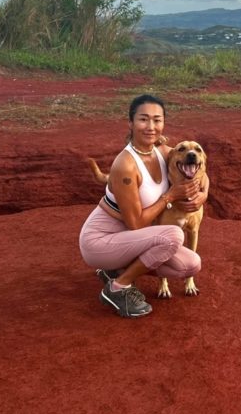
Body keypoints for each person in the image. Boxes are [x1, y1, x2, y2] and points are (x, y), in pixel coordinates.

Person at [78, 94, 208, 318]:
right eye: (143, 119)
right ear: (130, 123)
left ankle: (115, 270)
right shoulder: (125, 165)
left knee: (191, 264)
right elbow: (135, 223)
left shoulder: (163, 152)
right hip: (100, 241)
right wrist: (169, 197)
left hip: (129, 239)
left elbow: (197, 165)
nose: (151, 126)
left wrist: (203, 194)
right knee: (173, 236)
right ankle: (118, 288)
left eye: (157, 120)